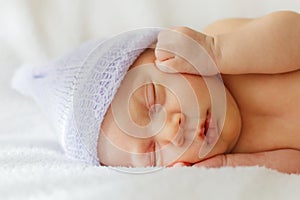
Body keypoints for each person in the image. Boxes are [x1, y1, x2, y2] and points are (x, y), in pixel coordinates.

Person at [98, 11, 300, 174]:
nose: (172, 132)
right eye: (153, 154)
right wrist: (228, 165)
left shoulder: (221, 43)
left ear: (171, 54)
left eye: (153, 102)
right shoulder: (231, 157)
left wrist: (215, 52)